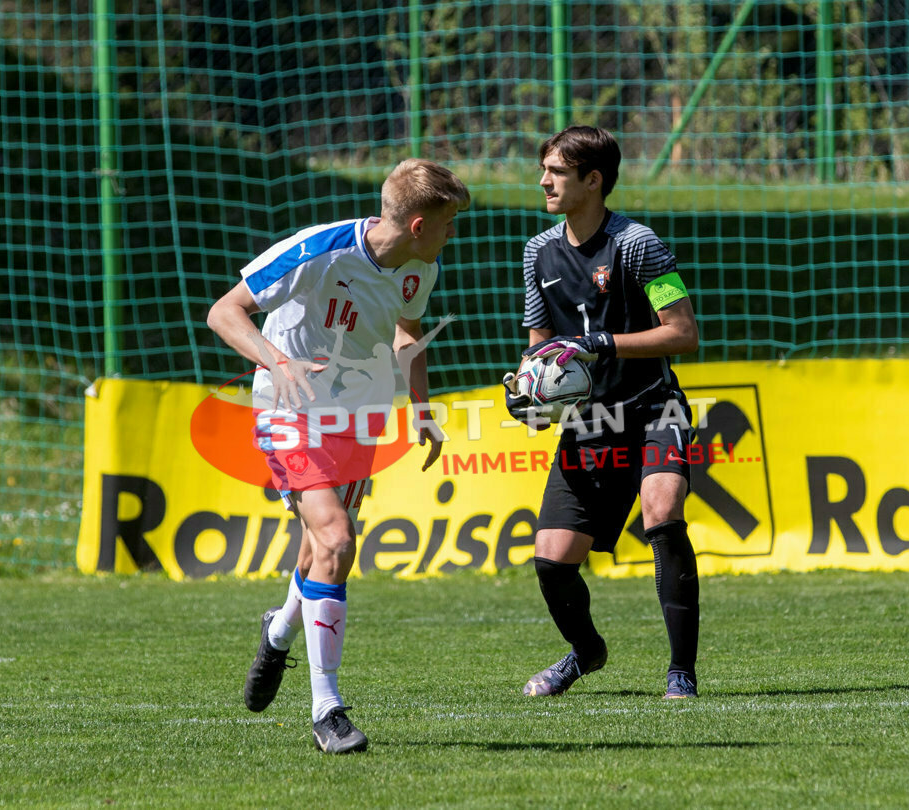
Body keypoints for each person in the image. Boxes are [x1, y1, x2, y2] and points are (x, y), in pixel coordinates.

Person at [207, 158, 470, 753]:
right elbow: (225, 311)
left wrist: (421, 407)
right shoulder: (318, 250)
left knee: (320, 550)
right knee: (336, 539)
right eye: (450, 224)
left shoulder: (417, 267)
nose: (454, 236)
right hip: (289, 409)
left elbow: (407, 333)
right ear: (420, 223)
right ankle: (327, 710)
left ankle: (277, 632)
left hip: (358, 419)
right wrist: (277, 361)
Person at [509, 125, 701, 700]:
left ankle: (681, 673)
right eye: (544, 170)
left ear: (593, 181)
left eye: (557, 173)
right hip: (588, 423)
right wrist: (529, 390)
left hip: (652, 407)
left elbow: (683, 333)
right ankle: (586, 652)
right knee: (551, 562)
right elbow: (540, 347)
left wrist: (604, 344)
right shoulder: (537, 252)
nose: (544, 181)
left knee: (662, 514)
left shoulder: (639, 245)